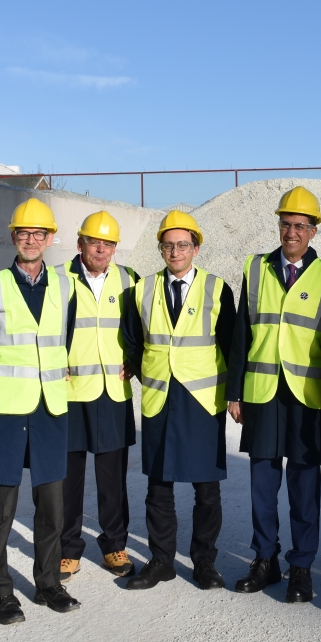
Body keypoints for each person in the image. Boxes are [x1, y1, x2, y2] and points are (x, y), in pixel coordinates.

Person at [0, 197, 79, 625]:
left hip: (50, 408)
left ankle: (48, 584)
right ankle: (1, 593)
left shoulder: (66, 287)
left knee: (52, 507)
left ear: (50, 239)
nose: (31, 240)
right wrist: (8, 385)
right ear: (13, 237)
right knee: (0, 509)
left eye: (39, 234)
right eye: (23, 233)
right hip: (7, 410)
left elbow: (63, 341)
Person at [227, 186, 321, 603]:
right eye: (285, 224)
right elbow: (242, 330)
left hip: (306, 397)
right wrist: (234, 390)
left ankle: (301, 567)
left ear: (314, 231)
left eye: (299, 226)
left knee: (303, 486)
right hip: (261, 393)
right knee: (262, 483)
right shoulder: (255, 267)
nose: (291, 232)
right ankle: (265, 559)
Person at [123, 211, 236, 591]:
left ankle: (204, 561)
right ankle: (161, 561)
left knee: (206, 487)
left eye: (182, 244)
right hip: (160, 396)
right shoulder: (141, 289)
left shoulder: (217, 289)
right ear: (160, 249)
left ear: (196, 248)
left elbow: (232, 345)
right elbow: (132, 342)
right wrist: (150, 372)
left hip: (202, 398)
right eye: (168, 245)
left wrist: (234, 396)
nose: (175, 251)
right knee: (159, 485)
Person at [58, 211, 139, 581]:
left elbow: (141, 327)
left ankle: (114, 546)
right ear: (81, 244)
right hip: (70, 392)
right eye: (95, 242)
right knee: (68, 477)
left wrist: (136, 361)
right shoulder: (58, 280)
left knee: (112, 478)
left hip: (112, 391)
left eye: (108, 244)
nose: (101, 249)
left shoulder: (129, 280)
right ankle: (67, 549)